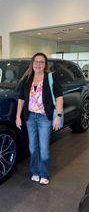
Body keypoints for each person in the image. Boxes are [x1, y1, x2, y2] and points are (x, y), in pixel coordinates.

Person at [16, 52, 63, 185]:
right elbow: (21, 98)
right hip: (30, 117)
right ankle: (35, 171)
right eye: (36, 61)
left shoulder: (50, 78)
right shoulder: (27, 78)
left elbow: (59, 97)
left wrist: (58, 116)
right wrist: (17, 116)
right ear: (32, 63)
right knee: (32, 147)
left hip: (44, 118)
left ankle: (44, 173)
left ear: (45, 64)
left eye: (41, 62)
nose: (38, 64)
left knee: (43, 148)